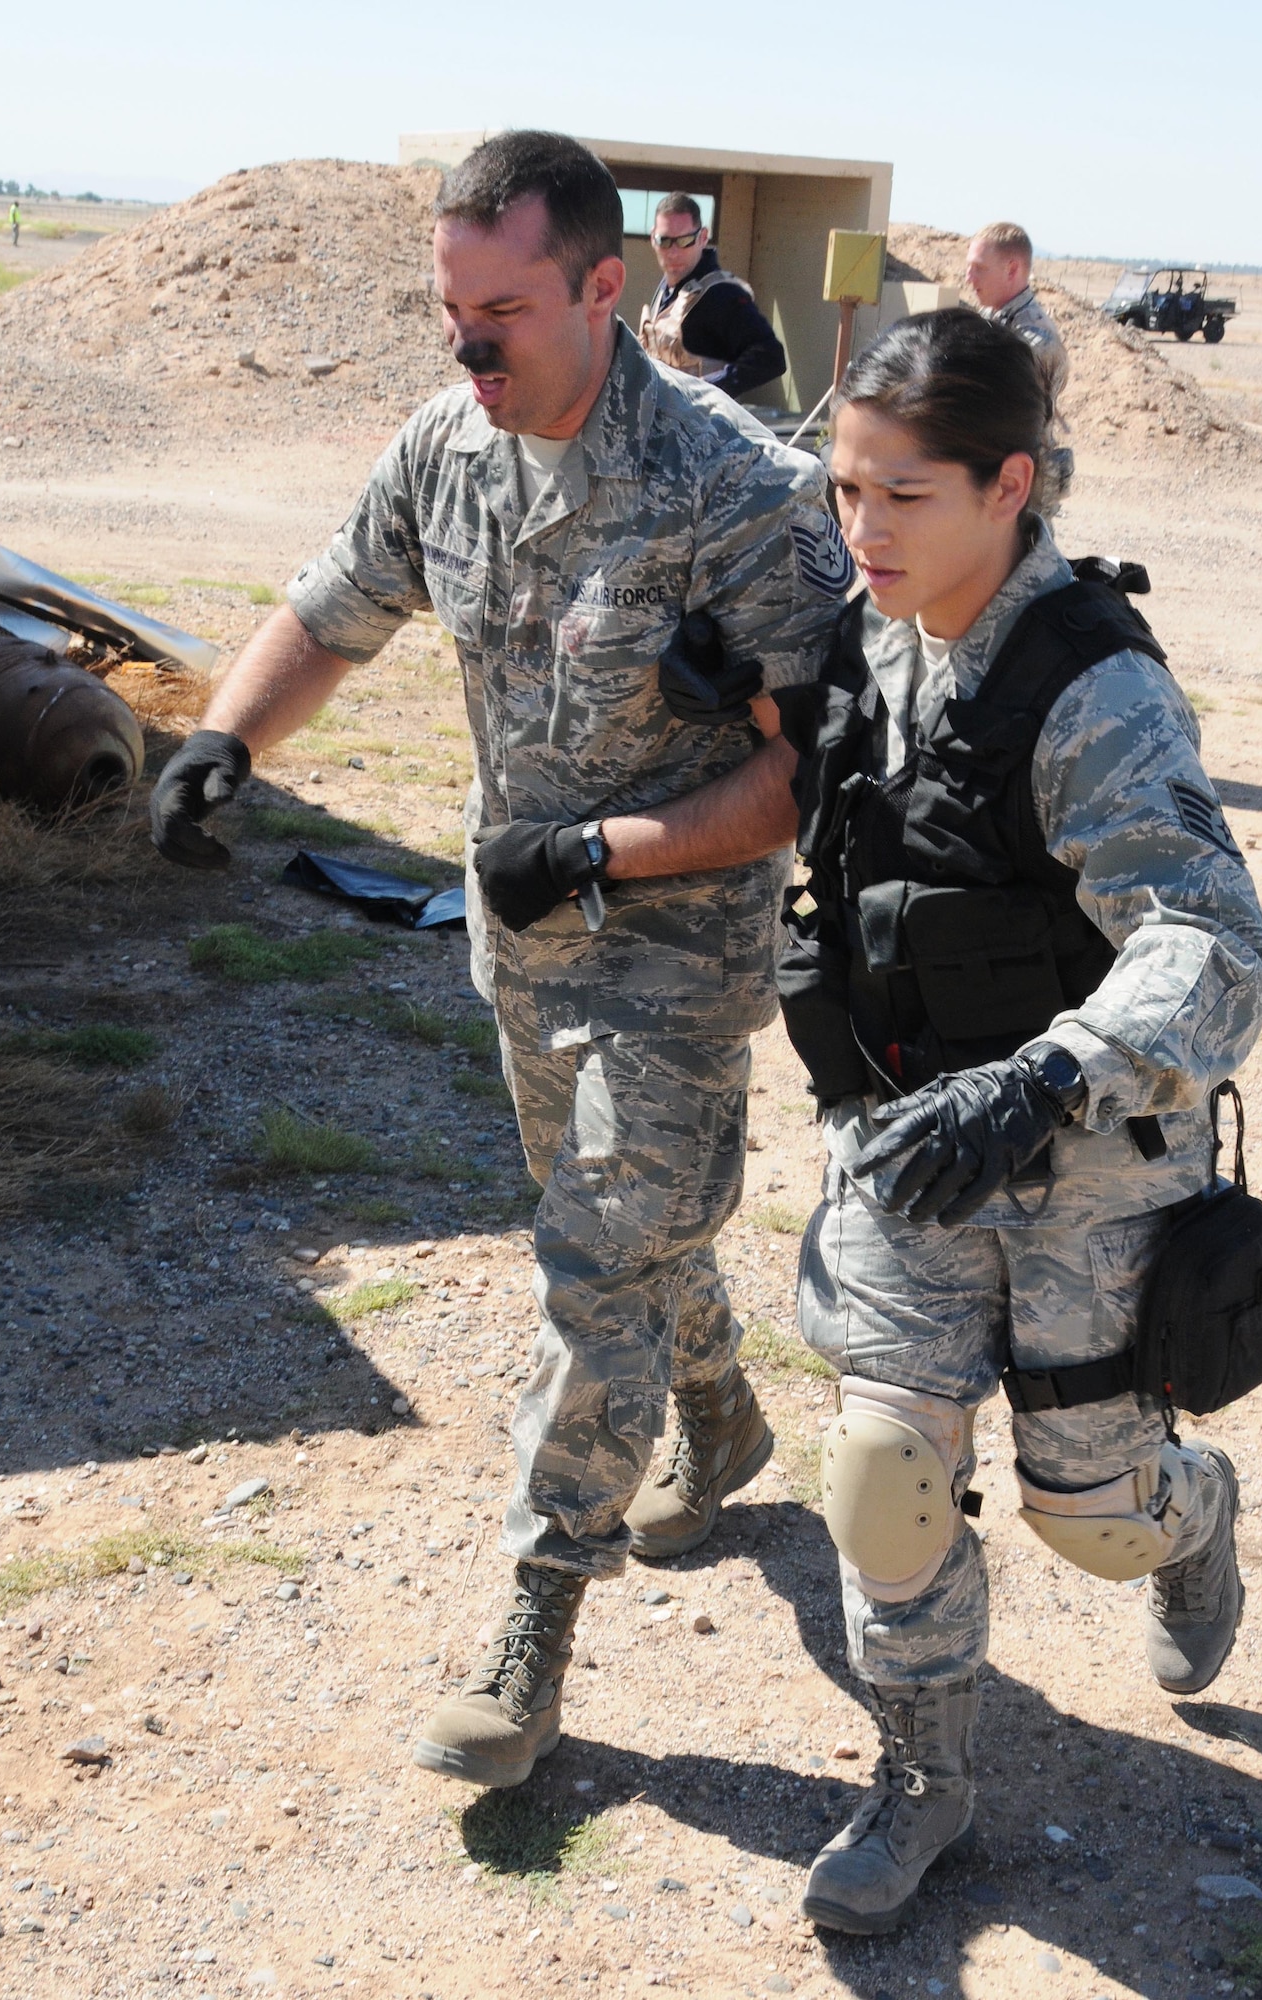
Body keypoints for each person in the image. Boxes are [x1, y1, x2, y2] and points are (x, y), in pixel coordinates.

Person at [148, 130, 853, 1792]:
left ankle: (536, 1612)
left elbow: (802, 771)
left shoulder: (733, 491)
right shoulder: (443, 448)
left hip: (674, 944)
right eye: (447, 307)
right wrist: (225, 745)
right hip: (521, 950)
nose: (464, 345)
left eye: (502, 312)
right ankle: (723, 1410)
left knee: (593, 1251)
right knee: (615, 1229)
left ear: (606, 290)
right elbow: (333, 609)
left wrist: (605, 851)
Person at [773, 308, 1262, 1935]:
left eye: (899, 496)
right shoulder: (863, 635)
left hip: (1080, 1150)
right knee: (878, 1477)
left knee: (1088, 1517)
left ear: (1007, 486)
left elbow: (1208, 940)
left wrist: (1047, 1073)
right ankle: (921, 1781)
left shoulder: (1090, 684)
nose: (861, 528)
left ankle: (1187, 1523)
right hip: (913, 1138)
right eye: (843, 489)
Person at [965, 221, 1072, 515]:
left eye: (979, 268)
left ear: (1012, 270)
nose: (968, 278)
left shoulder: (1034, 341)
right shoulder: (993, 319)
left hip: (1022, 489)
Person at [638, 192, 786, 402]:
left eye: (685, 241)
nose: (673, 252)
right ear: (653, 238)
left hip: (706, 426)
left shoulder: (722, 294)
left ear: (703, 237)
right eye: (664, 241)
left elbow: (771, 356)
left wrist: (706, 390)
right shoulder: (666, 289)